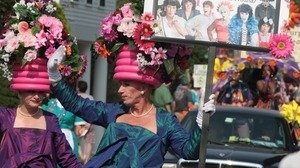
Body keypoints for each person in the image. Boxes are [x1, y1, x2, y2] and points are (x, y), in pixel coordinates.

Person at [47, 45, 216, 167]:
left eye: (126, 84)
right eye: (120, 84)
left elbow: (189, 152)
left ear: (143, 87)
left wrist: (201, 124)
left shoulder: (165, 122)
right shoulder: (113, 111)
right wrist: (55, 76)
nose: (120, 90)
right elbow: (77, 104)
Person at [0, 58, 81, 167]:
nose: (37, 96)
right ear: (20, 90)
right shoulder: (5, 116)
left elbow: (66, 157)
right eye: (31, 91)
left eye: (41, 92)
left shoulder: (50, 119)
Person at [42, 88, 86, 158]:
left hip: (68, 139)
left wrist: (81, 132)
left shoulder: (74, 105)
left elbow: (79, 130)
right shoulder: (48, 103)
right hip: (49, 137)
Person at [76, 80, 96, 164]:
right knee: (89, 141)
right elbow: (93, 111)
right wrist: (89, 122)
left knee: (76, 140)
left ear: (78, 88)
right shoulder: (90, 98)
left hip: (77, 122)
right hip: (88, 122)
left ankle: (81, 156)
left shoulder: (76, 97)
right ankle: (87, 160)